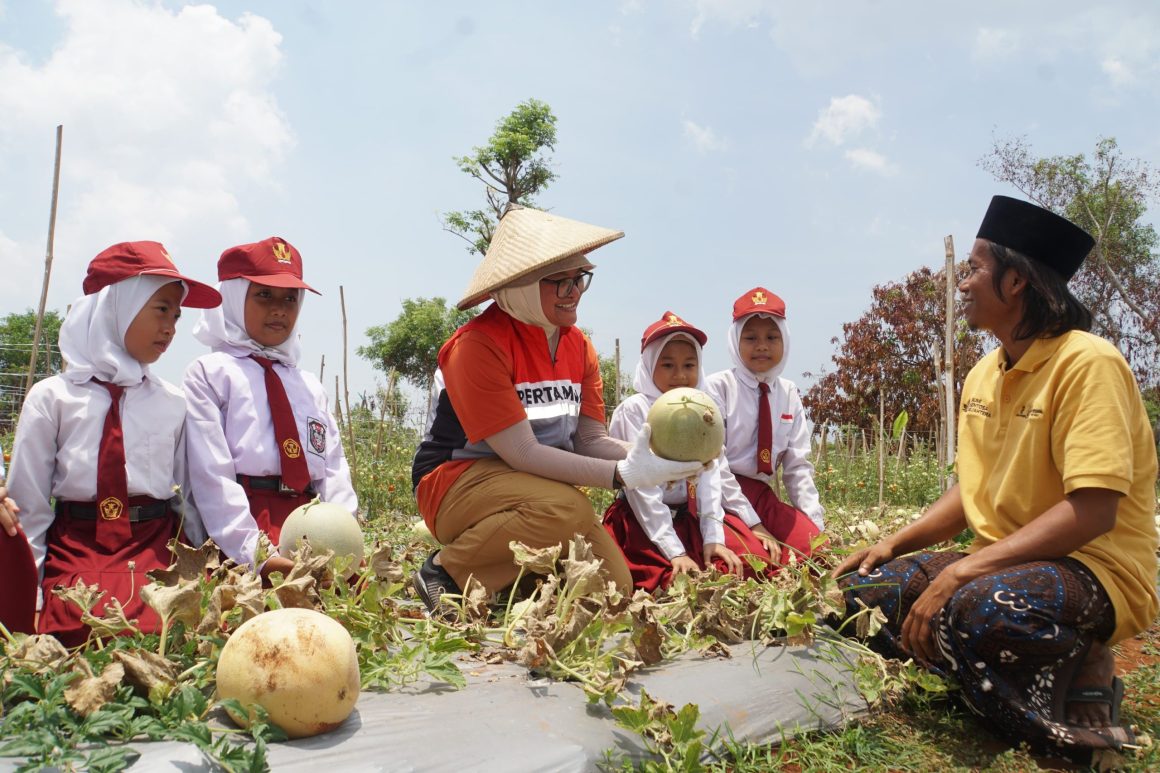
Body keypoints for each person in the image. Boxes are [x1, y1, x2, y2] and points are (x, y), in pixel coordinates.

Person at [833, 196, 1159, 757]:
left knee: (978, 608)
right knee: (866, 591)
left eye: (974, 269)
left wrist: (958, 577)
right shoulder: (985, 371)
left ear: (1015, 282)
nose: (962, 284)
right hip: (1001, 560)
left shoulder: (1089, 364)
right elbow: (971, 492)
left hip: (1095, 566)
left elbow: (1094, 509)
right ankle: (1011, 662)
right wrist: (892, 543)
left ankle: (1081, 689)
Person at [410, 206, 703, 614]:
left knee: (611, 590)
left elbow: (589, 439)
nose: (574, 292)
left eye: (580, 279)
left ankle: (509, 584)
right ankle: (444, 571)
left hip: (536, 486)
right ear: (519, 286)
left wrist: (659, 456)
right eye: (559, 282)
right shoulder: (478, 345)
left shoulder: (577, 345)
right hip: (456, 482)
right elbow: (522, 453)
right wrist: (622, 475)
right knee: (567, 510)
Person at [6, 241, 221, 646]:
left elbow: (187, 501)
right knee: (71, 629)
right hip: (76, 550)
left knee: (166, 634)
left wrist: (203, 575)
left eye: (176, 315)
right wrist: (30, 597)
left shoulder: (173, 402)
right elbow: (29, 509)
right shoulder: (52, 398)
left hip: (154, 550)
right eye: (161, 309)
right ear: (115, 305)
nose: (171, 326)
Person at [183, 237, 358, 581]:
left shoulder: (308, 385)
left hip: (313, 527)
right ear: (233, 298)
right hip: (245, 526)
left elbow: (334, 470)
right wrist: (256, 554)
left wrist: (345, 535)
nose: (280, 309)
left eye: (290, 299)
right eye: (264, 295)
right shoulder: (210, 374)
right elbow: (211, 477)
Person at [602, 311, 780, 592]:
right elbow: (642, 490)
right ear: (649, 366)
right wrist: (675, 551)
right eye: (668, 365)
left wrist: (719, 535)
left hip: (691, 518)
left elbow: (715, 474)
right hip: (644, 521)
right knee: (670, 582)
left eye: (689, 364)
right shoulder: (635, 410)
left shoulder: (703, 409)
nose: (681, 376)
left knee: (747, 564)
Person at [705, 288, 823, 565]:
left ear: (786, 341)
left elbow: (797, 467)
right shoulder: (717, 388)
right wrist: (753, 522)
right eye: (751, 338)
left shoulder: (789, 392)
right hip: (718, 493)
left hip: (760, 494)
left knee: (817, 549)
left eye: (772, 337)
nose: (762, 346)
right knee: (752, 561)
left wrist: (815, 522)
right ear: (735, 341)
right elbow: (713, 462)